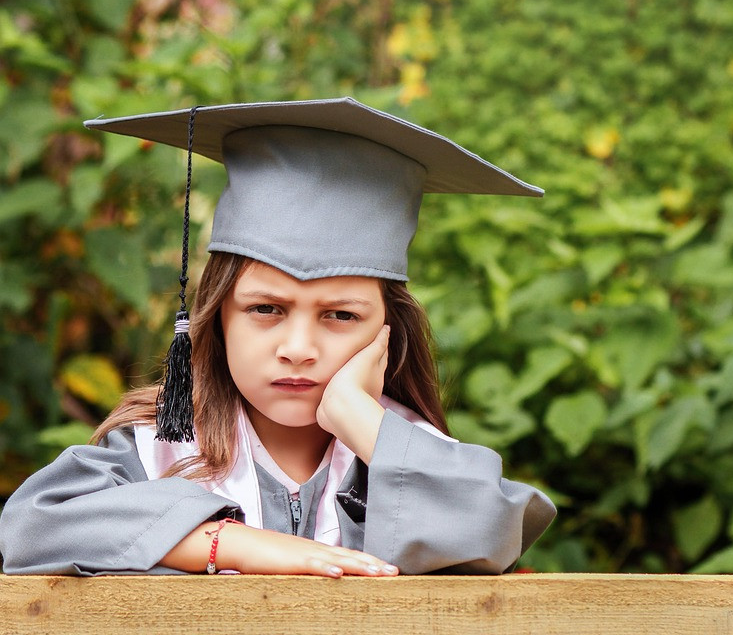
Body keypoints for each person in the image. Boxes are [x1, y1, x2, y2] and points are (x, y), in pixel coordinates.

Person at [0, 98, 556, 576]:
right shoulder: (158, 451)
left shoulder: (407, 456)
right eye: (265, 308)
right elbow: (32, 527)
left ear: (388, 330)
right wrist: (231, 543)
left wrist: (360, 418)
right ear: (218, 316)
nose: (298, 347)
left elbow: (492, 530)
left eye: (340, 316)